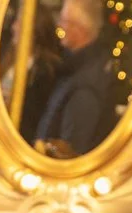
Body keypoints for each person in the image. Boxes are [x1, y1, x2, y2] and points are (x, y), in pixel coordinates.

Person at [30, 0, 118, 158]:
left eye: (64, 21)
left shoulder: (85, 88)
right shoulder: (76, 68)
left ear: (80, 28)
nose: (59, 26)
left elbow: (69, 153)